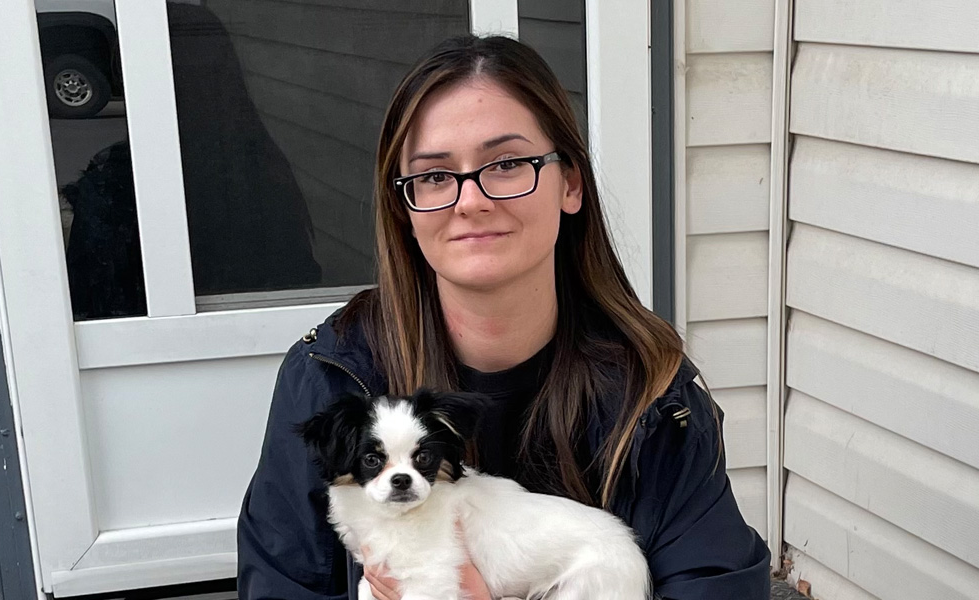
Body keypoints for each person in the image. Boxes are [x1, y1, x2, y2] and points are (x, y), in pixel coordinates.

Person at [237, 35, 771, 600]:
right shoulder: (331, 375)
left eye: (508, 163)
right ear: (404, 208)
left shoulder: (655, 394)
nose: (471, 200)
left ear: (570, 183)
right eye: (435, 176)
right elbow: (280, 585)